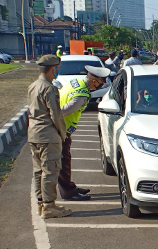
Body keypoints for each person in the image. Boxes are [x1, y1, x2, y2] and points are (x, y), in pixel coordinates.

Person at [27, 55, 71, 219]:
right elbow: (56, 115)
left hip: (34, 133)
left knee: (38, 171)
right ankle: (49, 207)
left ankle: (42, 203)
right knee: (50, 170)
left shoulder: (33, 86)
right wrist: (62, 133)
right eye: (57, 68)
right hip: (47, 135)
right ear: (53, 69)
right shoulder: (49, 89)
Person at [57, 65, 110, 201]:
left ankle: (70, 186)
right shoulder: (82, 95)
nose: (101, 85)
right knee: (64, 162)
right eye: (101, 82)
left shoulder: (76, 82)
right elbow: (64, 110)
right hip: (62, 129)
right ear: (94, 81)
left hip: (60, 128)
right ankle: (68, 192)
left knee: (65, 160)